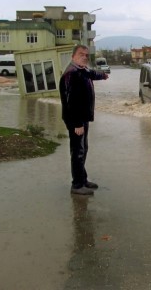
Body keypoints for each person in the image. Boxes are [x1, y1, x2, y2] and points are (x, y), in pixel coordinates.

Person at [59, 44, 108, 195]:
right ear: (73, 56)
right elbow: (71, 102)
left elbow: (91, 74)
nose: (85, 57)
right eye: (82, 54)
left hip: (82, 118)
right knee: (78, 151)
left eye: (87, 55)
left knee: (83, 149)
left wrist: (102, 75)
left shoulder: (81, 70)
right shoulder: (71, 73)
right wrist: (77, 124)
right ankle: (77, 185)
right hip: (76, 120)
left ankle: (82, 179)